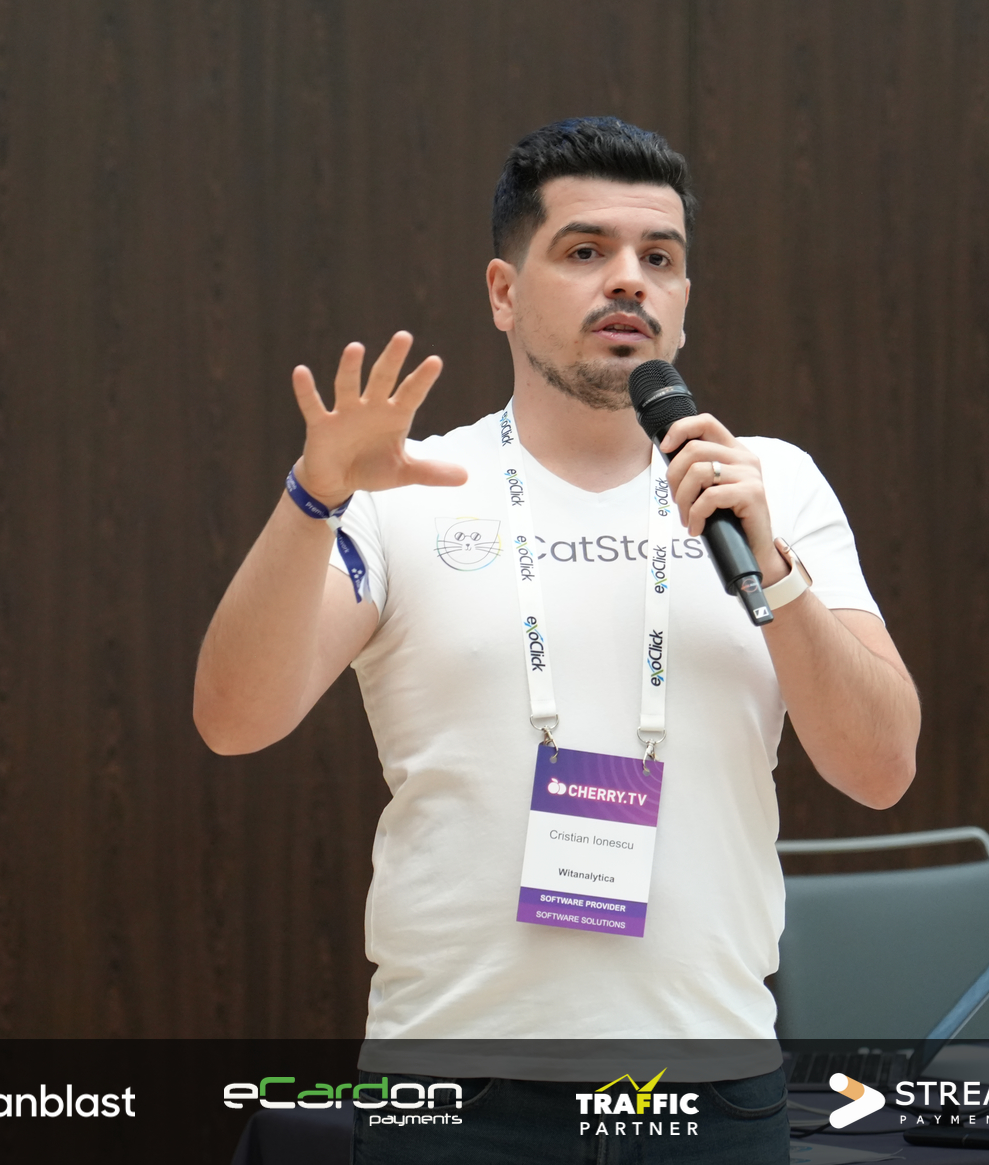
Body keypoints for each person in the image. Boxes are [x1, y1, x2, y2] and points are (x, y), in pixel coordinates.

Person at [194, 117, 920, 1162]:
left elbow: (881, 768)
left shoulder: (772, 488)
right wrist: (315, 496)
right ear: (502, 292)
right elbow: (233, 719)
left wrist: (775, 569)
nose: (627, 279)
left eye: (658, 258)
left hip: (711, 1098)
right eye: (585, 250)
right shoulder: (409, 489)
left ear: (683, 298)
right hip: (456, 1099)